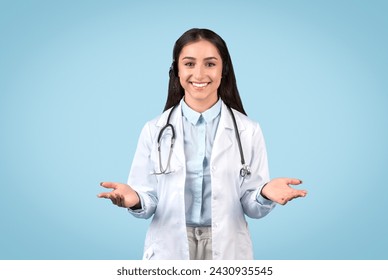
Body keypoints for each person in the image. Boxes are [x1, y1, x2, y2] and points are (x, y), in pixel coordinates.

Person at [98, 28, 307, 260]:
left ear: (223, 70)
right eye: (189, 64)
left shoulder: (249, 130)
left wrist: (264, 194)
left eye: (210, 64)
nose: (199, 74)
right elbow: (148, 201)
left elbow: (251, 206)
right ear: (176, 70)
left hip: (228, 245)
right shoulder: (154, 129)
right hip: (170, 245)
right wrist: (134, 199)